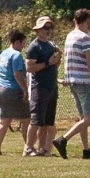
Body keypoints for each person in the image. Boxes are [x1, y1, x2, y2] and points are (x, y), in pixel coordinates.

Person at [54, 8, 90, 160]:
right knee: (89, 119)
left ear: (75, 20)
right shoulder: (84, 38)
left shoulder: (69, 36)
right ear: (87, 21)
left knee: (83, 117)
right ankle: (63, 140)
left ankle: (86, 149)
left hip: (71, 80)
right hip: (83, 80)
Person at [24, 16, 62, 156]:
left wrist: (57, 60)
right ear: (38, 30)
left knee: (47, 122)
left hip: (51, 87)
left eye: (50, 27)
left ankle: (43, 149)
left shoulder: (51, 45)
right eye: (45, 28)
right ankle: (28, 148)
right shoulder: (34, 46)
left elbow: (54, 64)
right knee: (36, 120)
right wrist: (47, 63)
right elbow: (29, 67)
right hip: (39, 87)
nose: (48, 30)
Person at [0, 28, 28, 155]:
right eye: (23, 43)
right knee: (27, 120)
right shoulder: (16, 55)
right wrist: (25, 90)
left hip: (1, 89)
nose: (23, 46)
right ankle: (28, 147)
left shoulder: (3, 54)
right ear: (17, 42)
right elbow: (17, 74)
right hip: (13, 90)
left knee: (4, 121)